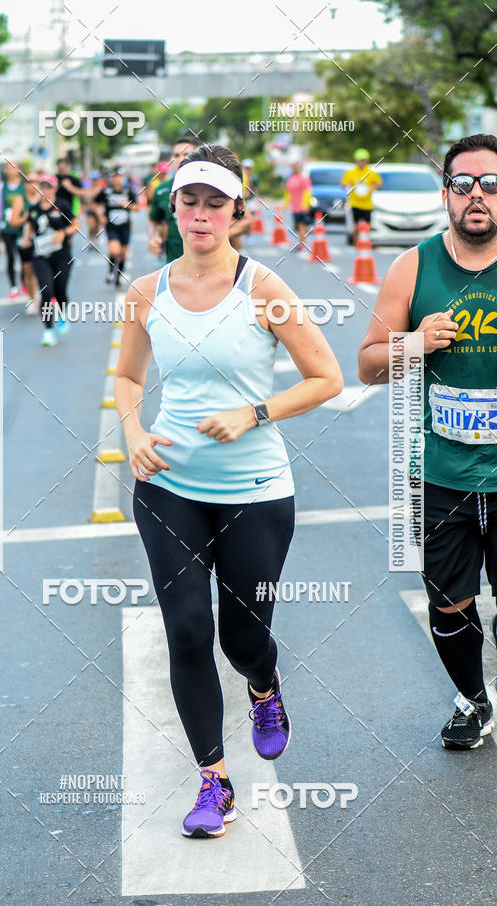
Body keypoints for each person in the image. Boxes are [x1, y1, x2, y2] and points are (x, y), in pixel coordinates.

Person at [115, 144, 343, 838]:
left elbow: (327, 377)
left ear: (237, 212)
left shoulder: (265, 288)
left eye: (217, 202)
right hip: (170, 487)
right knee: (187, 631)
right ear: (174, 207)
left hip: (256, 490)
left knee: (246, 638)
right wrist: (133, 430)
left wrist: (255, 412)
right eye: (191, 200)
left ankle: (265, 689)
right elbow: (127, 378)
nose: (202, 214)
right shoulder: (146, 292)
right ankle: (214, 783)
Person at [358, 133, 497, 750]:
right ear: (445, 193)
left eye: (490, 184)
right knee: (449, 605)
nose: (477, 196)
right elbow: (365, 363)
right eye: (464, 183)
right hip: (439, 474)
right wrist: (413, 344)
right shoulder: (412, 267)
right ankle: (472, 702)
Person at [21, 175, 78, 346]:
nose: (45, 190)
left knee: (60, 291)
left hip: (61, 255)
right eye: (42, 186)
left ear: (54, 189)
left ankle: (62, 314)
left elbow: (76, 225)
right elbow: (30, 225)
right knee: (46, 292)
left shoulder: (62, 205)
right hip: (41, 255)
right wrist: (25, 239)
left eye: (48, 186)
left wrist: (63, 233)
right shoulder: (34, 208)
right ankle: (48, 330)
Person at [148, 135, 201, 262]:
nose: (181, 159)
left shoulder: (214, 186)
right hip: (174, 266)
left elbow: (245, 220)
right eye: (176, 155)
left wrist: (218, 236)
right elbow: (154, 220)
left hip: (210, 267)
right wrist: (153, 237)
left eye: (186, 154)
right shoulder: (162, 190)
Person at [93, 169, 138, 286]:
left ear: (123, 179)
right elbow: (95, 203)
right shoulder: (106, 191)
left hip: (125, 225)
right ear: (111, 179)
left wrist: (128, 205)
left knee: (123, 253)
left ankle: (118, 277)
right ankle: (110, 271)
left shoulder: (128, 191)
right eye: (115, 177)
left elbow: (137, 207)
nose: (117, 179)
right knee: (114, 250)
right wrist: (100, 215)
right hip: (111, 225)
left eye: (120, 177)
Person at [0, 160, 27, 299]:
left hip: (22, 227)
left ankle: (25, 283)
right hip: (7, 228)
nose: (11, 170)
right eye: (8, 168)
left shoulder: (24, 186)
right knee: (10, 257)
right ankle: (13, 286)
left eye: (14, 167)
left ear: (18, 169)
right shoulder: (2, 187)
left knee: (24, 257)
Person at [9, 172, 41, 315]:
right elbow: (13, 222)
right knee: (28, 271)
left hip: (42, 240)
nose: (31, 185)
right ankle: (31, 299)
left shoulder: (44, 198)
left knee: (40, 269)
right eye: (28, 181)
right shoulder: (20, 200)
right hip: (25, 240)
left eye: (34, 181)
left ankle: (42, 295)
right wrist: (25, 218)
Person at [342, 148, 382, 244]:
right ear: (356, 161)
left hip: (367, 204)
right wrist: (349, 186)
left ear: (367, 161)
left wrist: (372, 189)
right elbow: (343, 183)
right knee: (355, 225)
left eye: (363, 160)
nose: (361, 163)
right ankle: (356, 244)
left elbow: (379, 183)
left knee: (367, 226)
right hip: (355, 203)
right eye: (360, 160)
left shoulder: (371, 172)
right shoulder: (351, 173)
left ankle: (366, 243)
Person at [286, 161, 313, 250]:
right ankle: (301, 242)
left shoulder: (304, 178)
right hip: (295, 207)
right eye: (294, 167)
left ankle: (302, 243)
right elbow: (288, 192)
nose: (295, 169)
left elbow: (307, 192)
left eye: (297, 167)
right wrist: (285, 204)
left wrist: (305, 204)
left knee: (302, 225)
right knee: (298, 225)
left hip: (302, 206)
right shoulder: (291, 179)